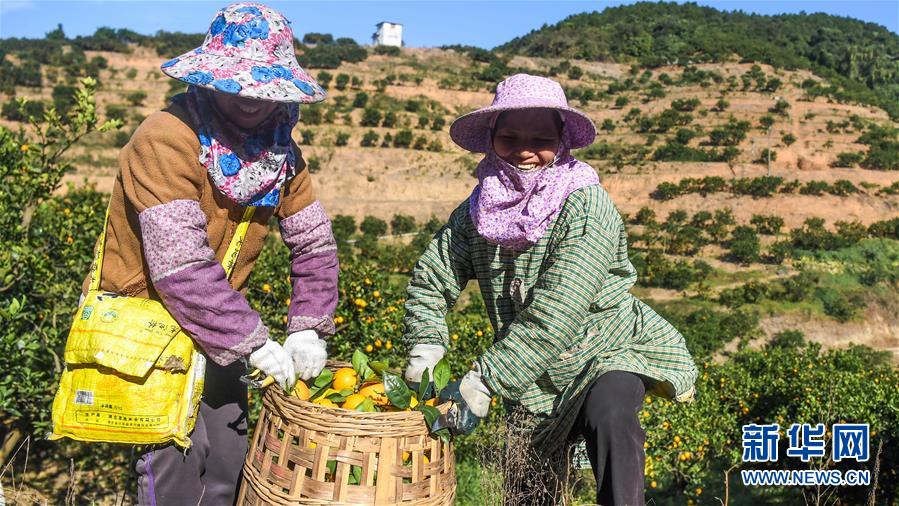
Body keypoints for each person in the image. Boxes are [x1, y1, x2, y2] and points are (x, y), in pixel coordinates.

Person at [82, 3, 338, 504]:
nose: (248, 98)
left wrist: (310, 324)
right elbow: (180, 266)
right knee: (172, 472)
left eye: (260, 85)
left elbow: (313, 241)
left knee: (227, 470)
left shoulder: (279, 150)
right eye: (236, 82)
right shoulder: (165, 138)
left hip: (223, 327)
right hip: (152, 332)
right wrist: (252, 341)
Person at [402, 74, 698, 505]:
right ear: (491, 140)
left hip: (604, 348)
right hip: (531, 376)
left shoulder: (586, 205)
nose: (524, 150)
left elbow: (559, 310)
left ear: (562, 141)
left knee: (611, 411)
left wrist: (484, 381)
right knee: (528, 491)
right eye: (509, 138)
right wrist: (425, 345)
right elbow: (433, 278)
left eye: (540, 138)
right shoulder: (478, 210)